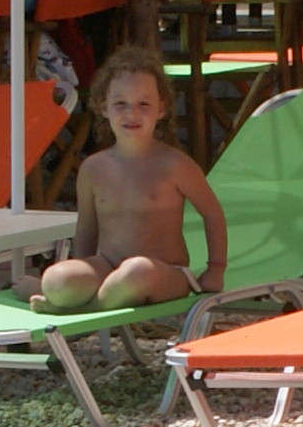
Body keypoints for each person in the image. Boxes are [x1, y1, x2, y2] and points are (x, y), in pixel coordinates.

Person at [37, 51, 221, 312]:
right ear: (104, 107)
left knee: (137, 270)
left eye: (143, 104)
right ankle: (79, 299)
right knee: (57, 279)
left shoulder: (175, 165)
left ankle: (83, 310)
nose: (131, 113)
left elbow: (213, 214)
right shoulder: (93, 168)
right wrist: (80, 278)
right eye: (120, 104)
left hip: (164, 273)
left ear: (161, 109)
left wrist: (216, 268)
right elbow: (86, 228)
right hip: (107, 265)